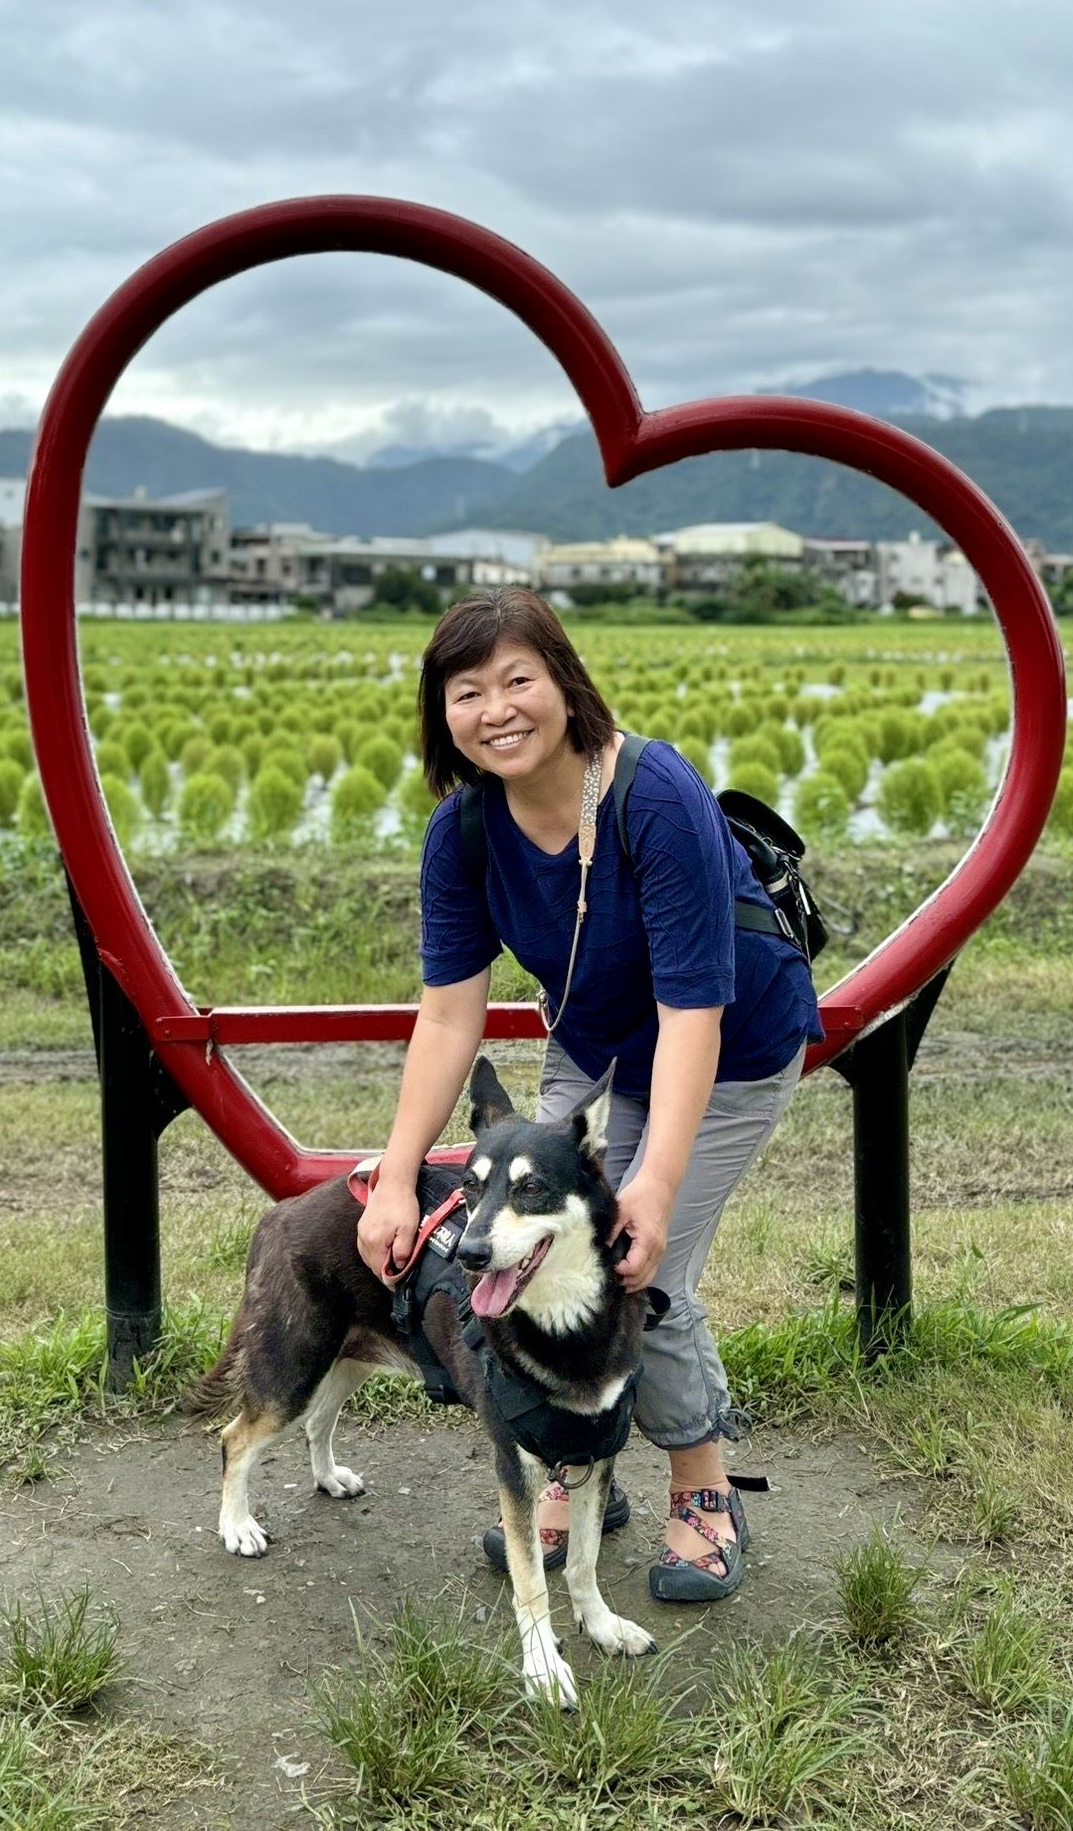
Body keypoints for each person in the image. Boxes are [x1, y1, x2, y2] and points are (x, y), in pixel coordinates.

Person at [357, 587, 820, 1601]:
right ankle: (574, 1473)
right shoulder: (464, 832)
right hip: (596, 1037)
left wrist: (650, 1183)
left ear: (565, 684)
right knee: (538, 1254)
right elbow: (447, 1017)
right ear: (443, 714)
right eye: (466, 691)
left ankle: (703, 1488)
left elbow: (693, 1009)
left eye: (518, 679)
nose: (497, 709)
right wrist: (394, 1180)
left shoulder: (655, 796)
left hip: (729, 1042)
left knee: (635, 1272)